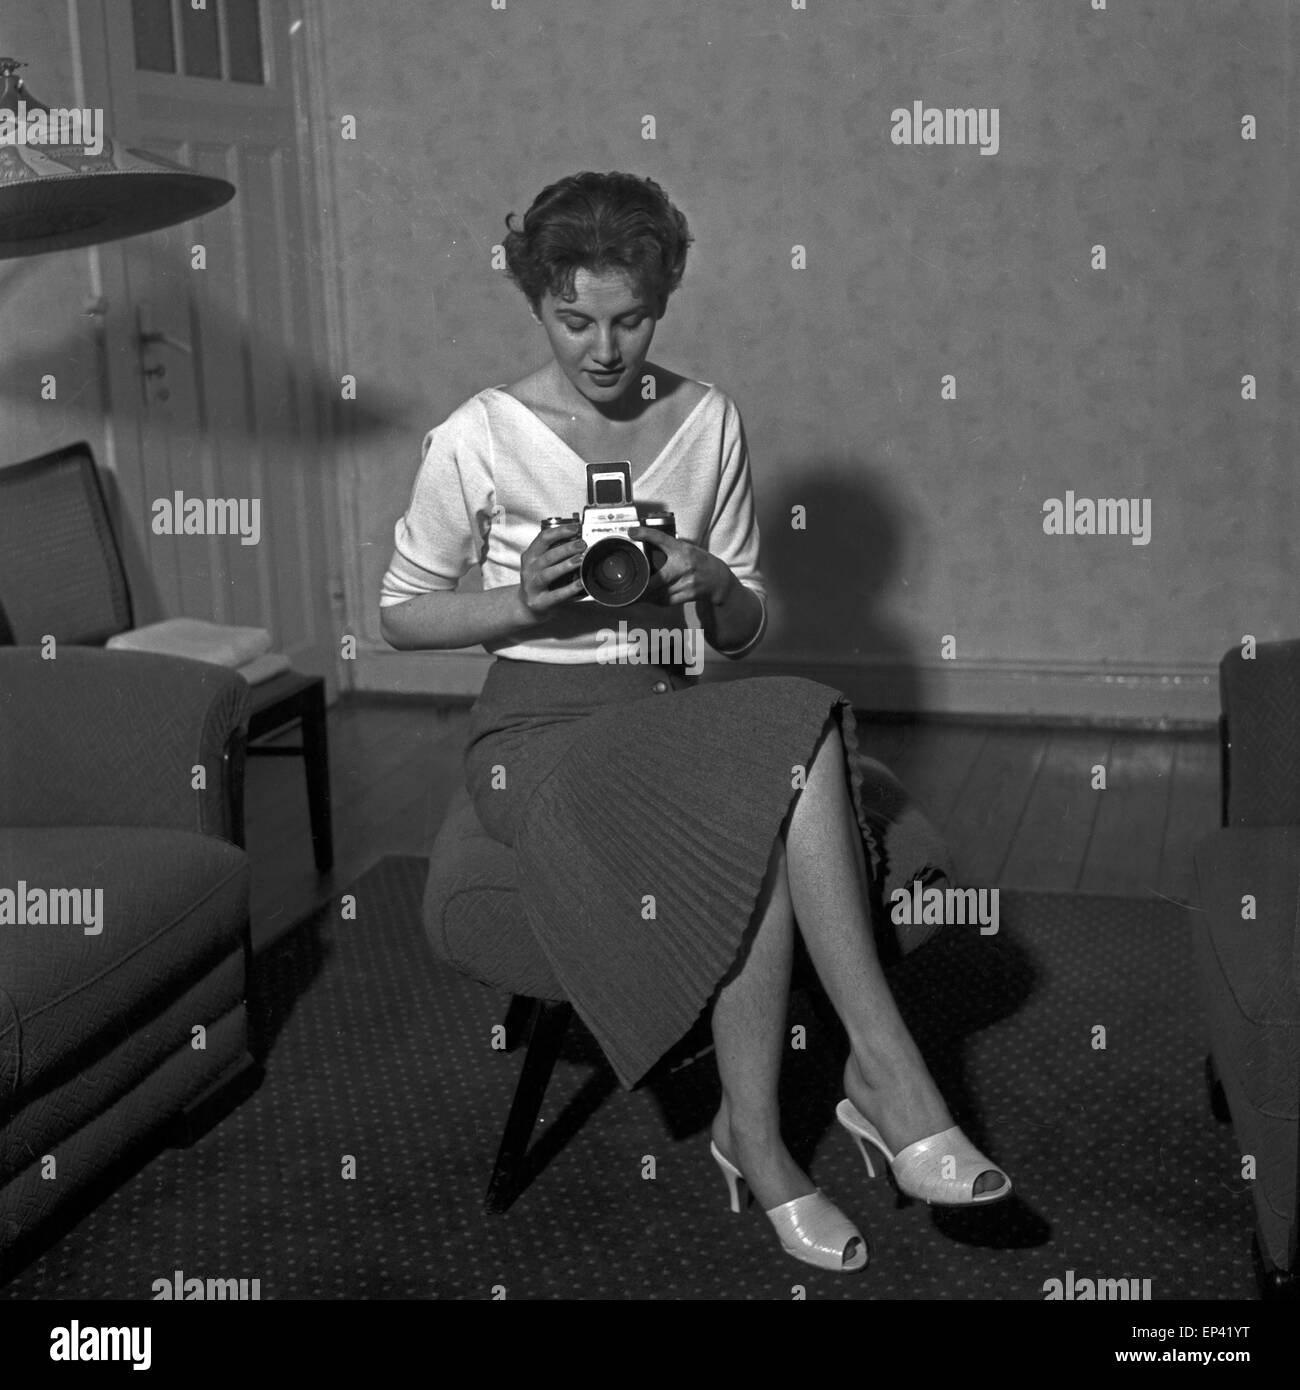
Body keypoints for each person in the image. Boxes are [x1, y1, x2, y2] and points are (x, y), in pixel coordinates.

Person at [380, 170, 1011, 1274]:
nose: (603, 347)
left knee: (773, 747)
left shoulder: (707, 417)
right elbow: (397, 615)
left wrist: (710, 578)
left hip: (667, 713)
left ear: (663, 300)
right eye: (573, 317)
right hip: (532, 737)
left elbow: (743, 632)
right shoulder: (475, 436)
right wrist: (522, 601)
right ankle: (874, 1086)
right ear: (535, 299)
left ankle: (763, 1134)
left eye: (630, 317)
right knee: (784, 747)